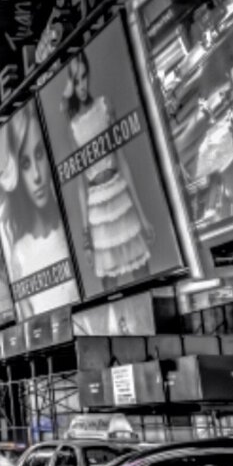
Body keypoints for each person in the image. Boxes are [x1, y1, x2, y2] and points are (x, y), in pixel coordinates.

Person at [62, 50, 153, 291]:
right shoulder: (73, 127)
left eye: (84, 77)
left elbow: (122, 159)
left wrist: (142, 216)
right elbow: (80, 186)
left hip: (119, 194)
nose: (82, 85)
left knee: (143, 276)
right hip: (96, 207)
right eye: (76, 81)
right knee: (110, 288)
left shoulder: (104, 105)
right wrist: (86, 238)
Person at [0, 106, 76, 315]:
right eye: (25, 164)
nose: (37, 175)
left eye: (39, 154)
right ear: (17, 172)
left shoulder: (73, 226)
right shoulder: (19, 255)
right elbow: (28, 321)